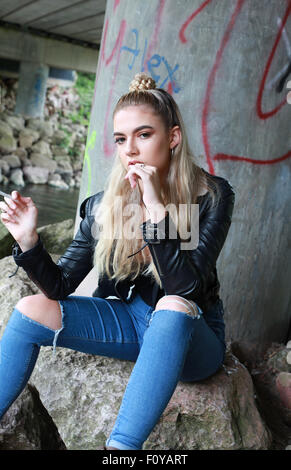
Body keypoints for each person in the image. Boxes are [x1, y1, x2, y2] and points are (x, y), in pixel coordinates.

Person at [0, 73, 235, 450]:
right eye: (121, 139)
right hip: (130, 320)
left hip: (190, 336)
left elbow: (183, 289)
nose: (131, 150)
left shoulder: (208, 195)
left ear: (172, 137)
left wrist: (155, 208)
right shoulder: (103, 203)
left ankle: (121, 450)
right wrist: (29, 239)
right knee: (30, 309)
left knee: (172, 304)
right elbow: (61, 286)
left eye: (144, 135)